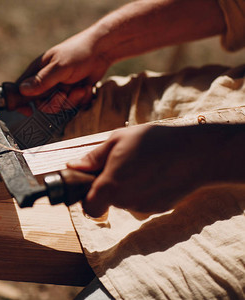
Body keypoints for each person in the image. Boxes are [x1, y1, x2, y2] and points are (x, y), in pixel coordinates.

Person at [14, 0, 244, 298]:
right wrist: (102, 44)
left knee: (145, 287)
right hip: (222, 102)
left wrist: (204, 154)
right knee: (33, 118)